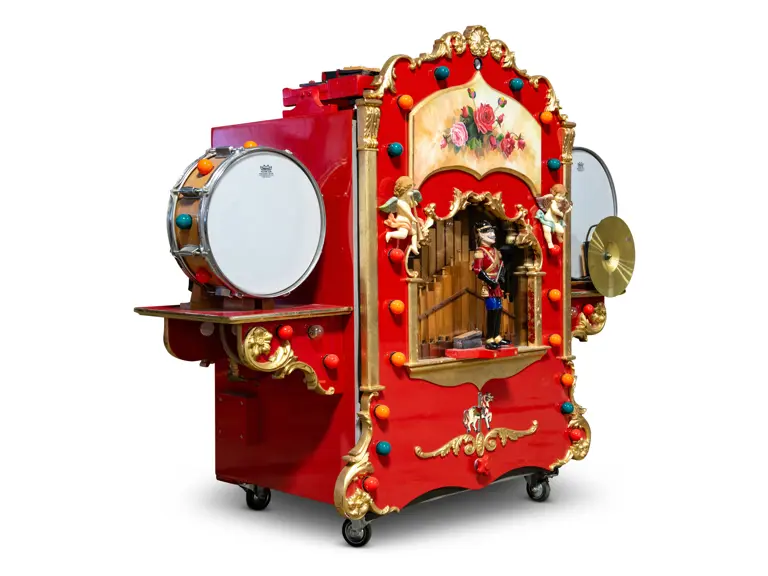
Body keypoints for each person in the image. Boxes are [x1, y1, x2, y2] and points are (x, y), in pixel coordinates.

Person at [472, 220, 511, 350]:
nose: (493, 234)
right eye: (488, 231)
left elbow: (501, 267)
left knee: (499, 309)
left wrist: (502, 276)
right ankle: (489, 338)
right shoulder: (480, 252)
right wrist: (490, 281)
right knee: (492, 310)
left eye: (493, 231)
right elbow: (477, 270)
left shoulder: (496, 251)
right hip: (489, 286)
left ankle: (497, 336)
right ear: (480, 234)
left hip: (497, 284)